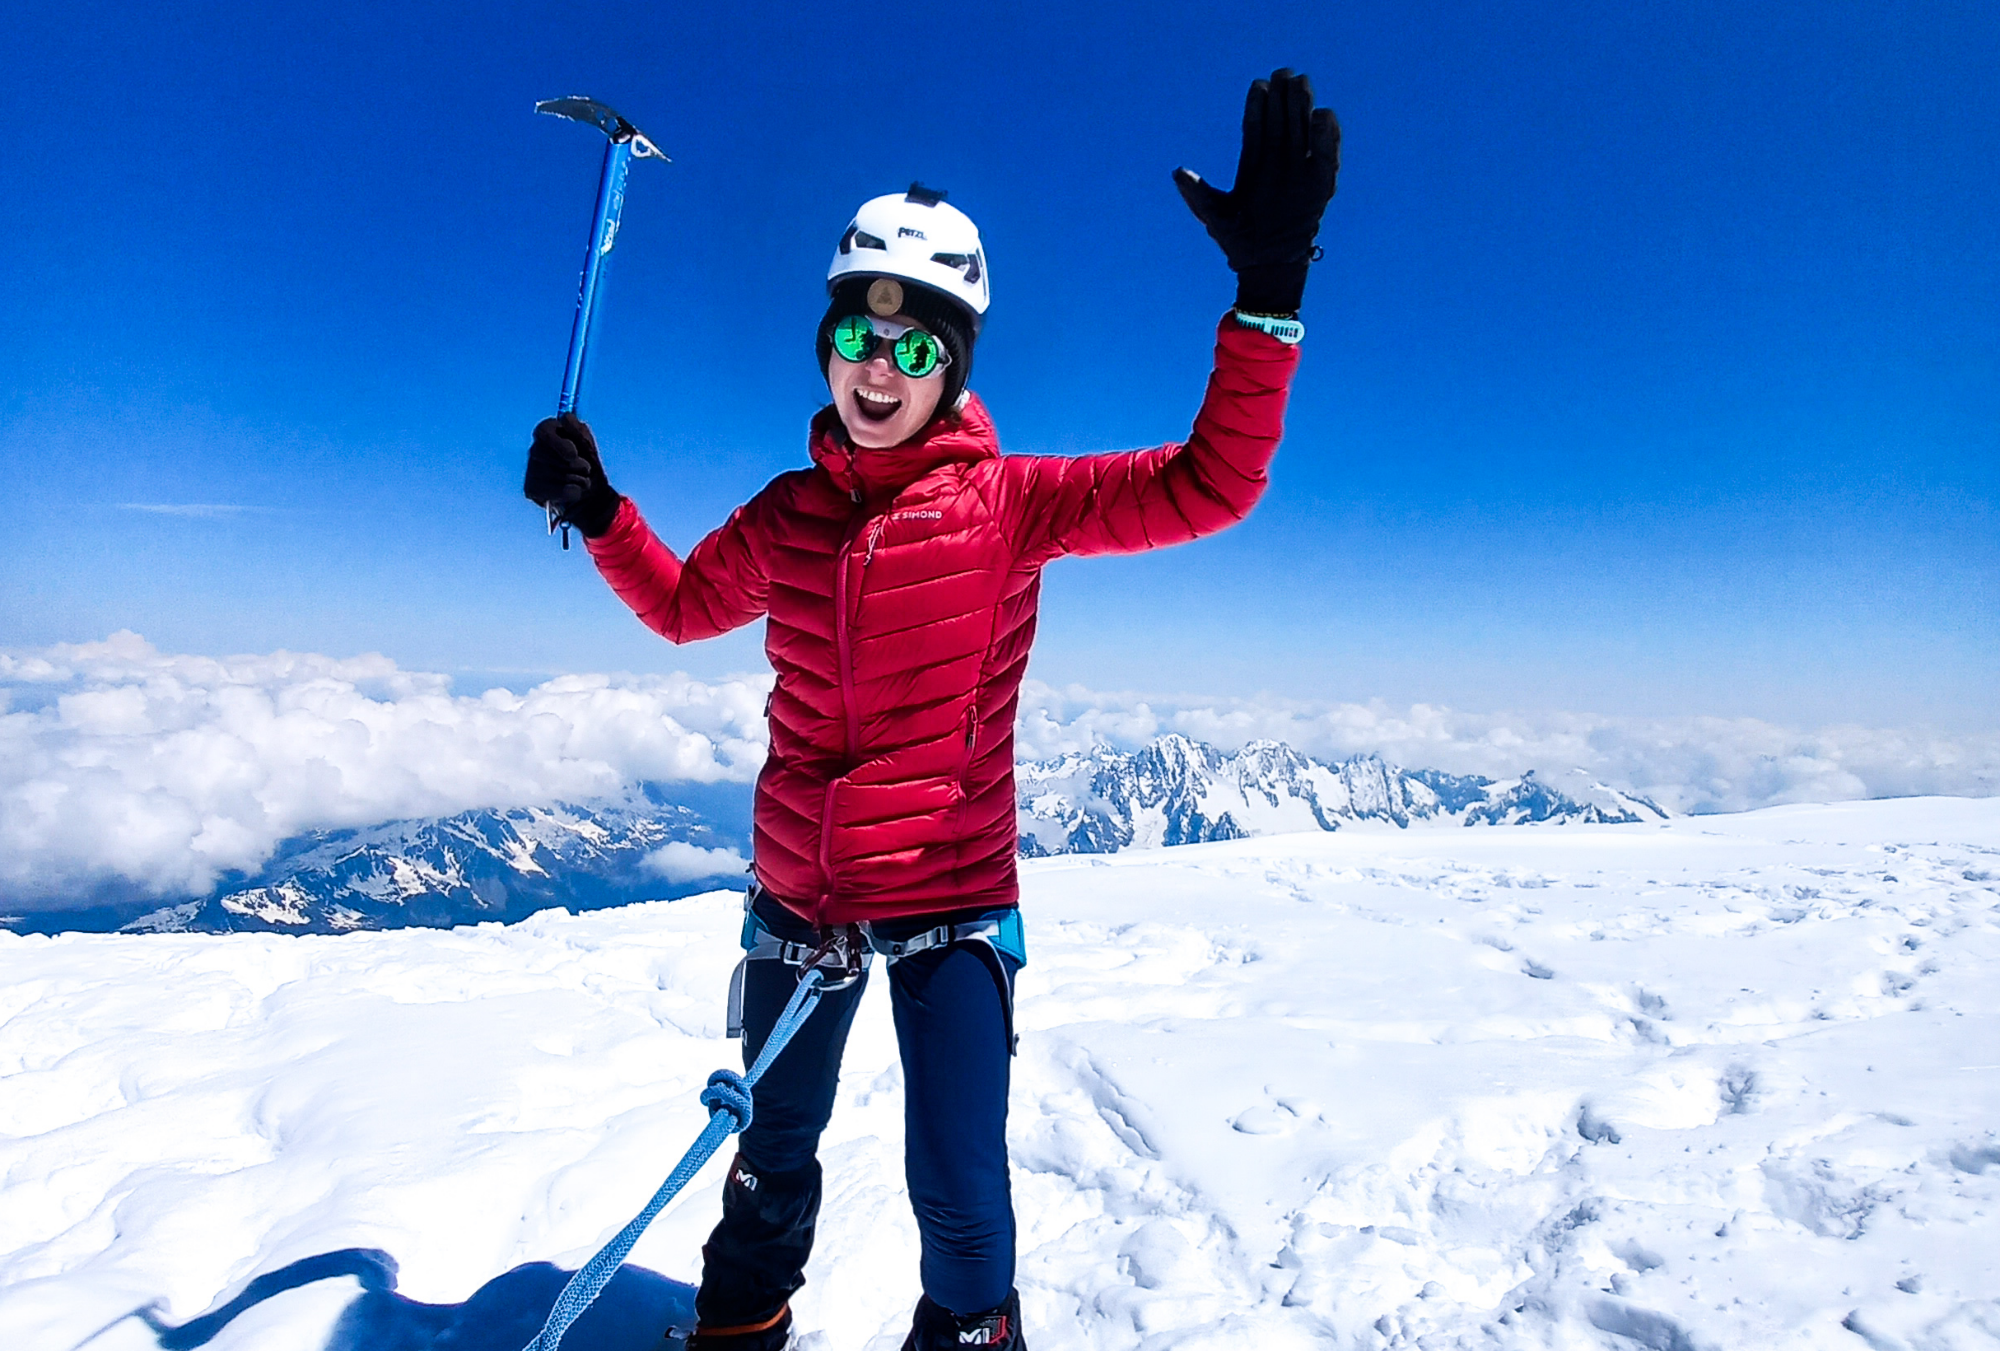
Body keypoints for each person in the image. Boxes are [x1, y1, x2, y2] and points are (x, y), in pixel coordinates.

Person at [522, 68, 1338, 1351]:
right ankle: (736, 1335)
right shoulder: (786, 516)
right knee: (766, 1170)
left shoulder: (1013, 504)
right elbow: (683, 606)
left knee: (960, 1198)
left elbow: (1209, 484)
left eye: (915, 345)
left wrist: (1267, 300)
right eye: (856, 335)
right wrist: (603, 513)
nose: (879, 367)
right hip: (798, 902)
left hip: (953, 901)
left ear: (954, 364)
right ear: (826, 347)